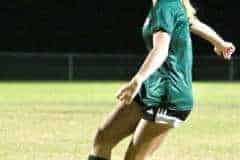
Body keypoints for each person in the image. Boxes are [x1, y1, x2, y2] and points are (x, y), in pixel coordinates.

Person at [87, 0, 236, 159]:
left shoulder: (165, 5)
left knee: (135, 158)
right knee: (103, 138)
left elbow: (161, 49)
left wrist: (138, 79)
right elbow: (191, 22)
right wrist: (219, 43)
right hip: (153, 87)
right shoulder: (169, 4)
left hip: (169, 95)